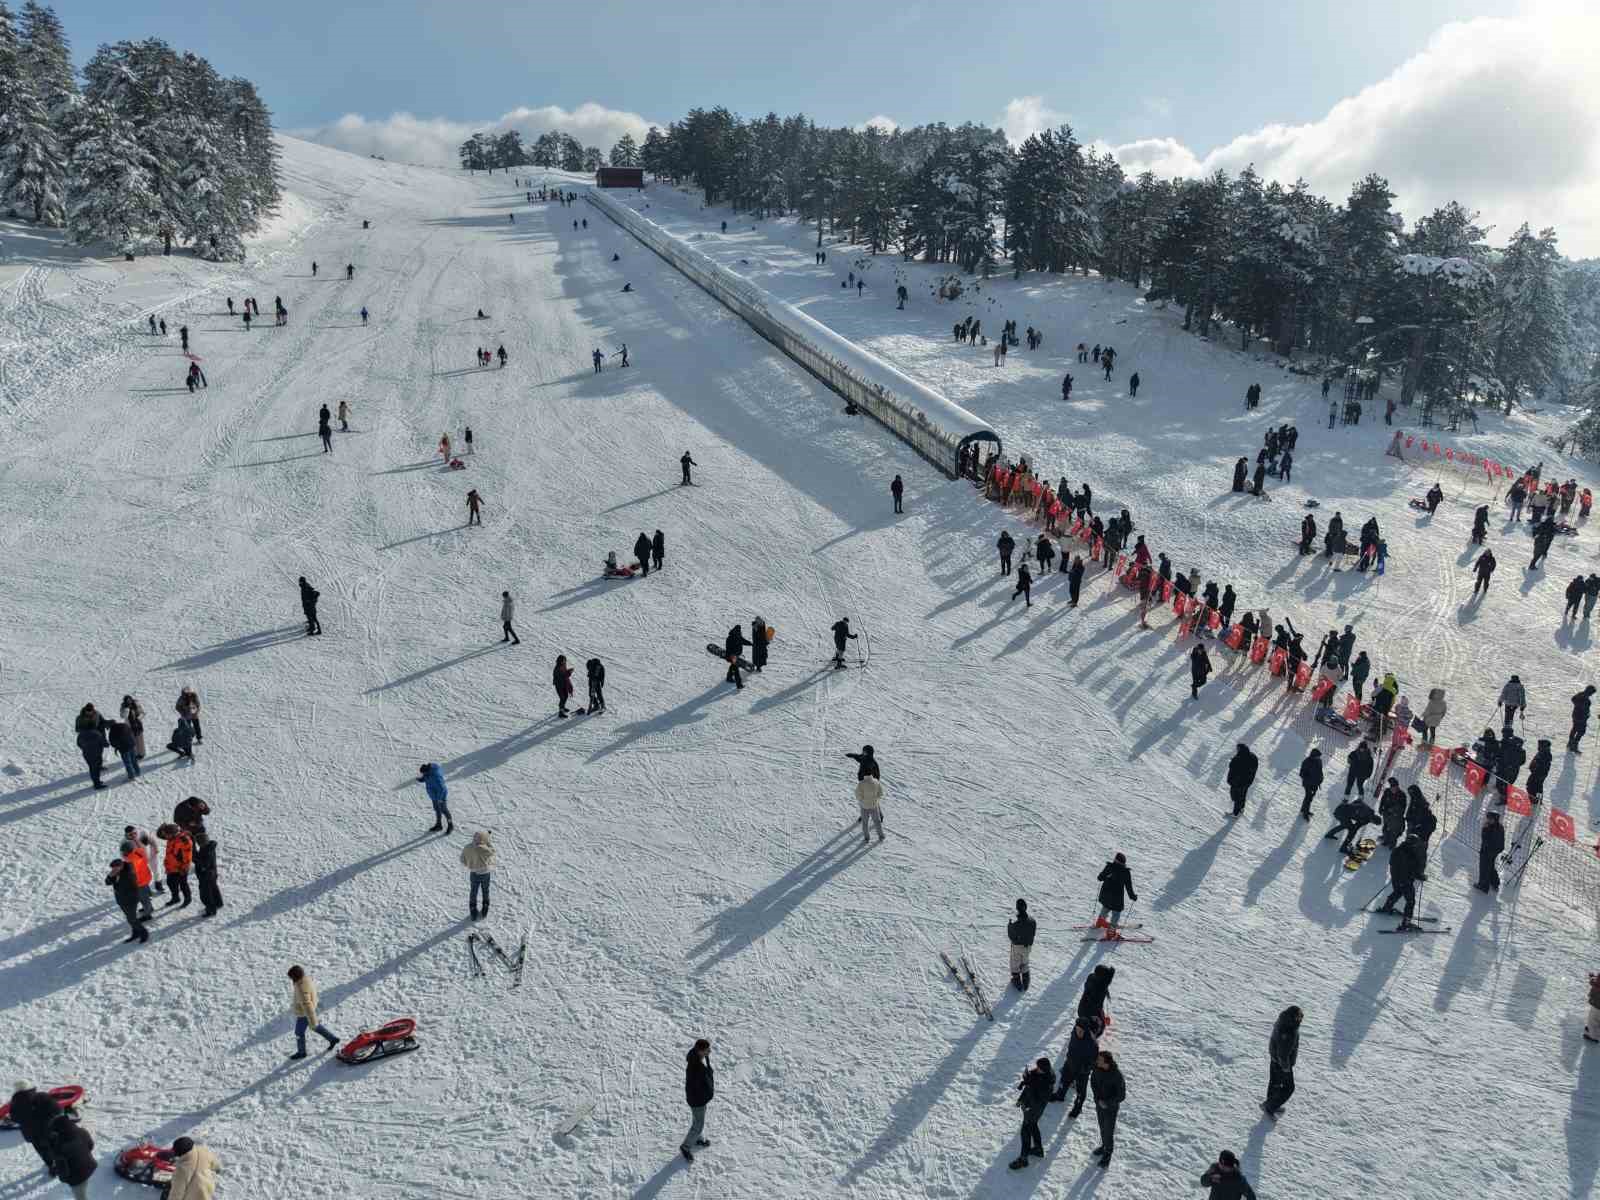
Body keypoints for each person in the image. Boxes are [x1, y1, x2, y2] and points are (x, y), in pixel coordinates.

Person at [1009, 1057, 1056, 1170]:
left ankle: (1023, 1159)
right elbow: (1029, 1087)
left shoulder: (1046, 1084)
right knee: (1033, 1125)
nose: (1036, 1069)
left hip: (1034, 1109)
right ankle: (1038, 1149)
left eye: (1038, 1068)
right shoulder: (1037, 1075)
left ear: (1044, 1070)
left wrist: (1028, 1107)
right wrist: (1021, 1099)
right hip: (1029, 1106)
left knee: (1025, 1131)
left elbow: (1037, 1098)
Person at [8, 1083, 63, 1175]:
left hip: (32, 1135)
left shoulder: (14, 1105)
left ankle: (51, 1166)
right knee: (56, 1148)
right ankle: (62, 1164)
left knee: (43, 1152)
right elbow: (58, 1109)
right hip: (50, 1130)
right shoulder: (42, 1096)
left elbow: (14, 1119)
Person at [286, 965, 339, 1059]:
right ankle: (332, 1039)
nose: (290, 979)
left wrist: (312, 1020)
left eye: (291, 977)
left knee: (299, 1032)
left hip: (304, 1014)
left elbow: (307, 1006)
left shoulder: (301, 989)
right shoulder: (305, 979)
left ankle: (302, 1052)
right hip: (307, 1010)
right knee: (315, 1027)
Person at [1050, 1017, 1100, 1115]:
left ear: (1086, 1031)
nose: (1078, 1032)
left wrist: (1084, 1069)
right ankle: (1060, 1095)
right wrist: (1069, 1058)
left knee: (1080, 1092)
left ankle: (1077, 1108)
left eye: (1081, 1031)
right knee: (1064, 1081)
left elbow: (1093, 1062)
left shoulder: (1092, 1044)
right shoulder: (1074, 1032)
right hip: (1070, 1064)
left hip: (1082, 1071)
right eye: (1077, 1029)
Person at [45, 1109, 96, 1200]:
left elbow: (62, 1169)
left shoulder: (59, 1145)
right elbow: (91, 1146)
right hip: (90, 1165)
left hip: (77, 1177)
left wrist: (64, 1178)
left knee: (81, 1197)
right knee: (84, 1187)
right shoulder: (82, 1131)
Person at [1375, 837, 1425, 927]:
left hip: (1396, 878)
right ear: (1414, 844)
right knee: (1410, 901)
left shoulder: (1398, 850)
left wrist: (1396, 874)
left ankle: (1387, 907)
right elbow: (1413, 869)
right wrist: (1420, 876)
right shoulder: (1412, 854)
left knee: (1397, 892)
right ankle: (1406, 923)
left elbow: (1391, 863)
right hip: (1406, 880)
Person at [1263, 1005, 1301, 1116]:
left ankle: (1270, 1103)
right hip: (1281, 1063)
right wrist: (1286, 1068)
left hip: (1274, 1058)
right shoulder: (1289, 1031)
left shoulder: (1282, 1020)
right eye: (1299, 1016)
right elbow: (1283, 1054)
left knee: (1275, 1082)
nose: (1301, 1019)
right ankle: (1270, 1107)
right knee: (1289, 1087)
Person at [1089, 1051, 1124, 1166]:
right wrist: (1097, 1098)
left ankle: (1108, 1154)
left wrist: (1107, 1103)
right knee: (1102, 1127)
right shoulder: (1097, 1069)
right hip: (1099, 1104)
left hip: (1111, 1108)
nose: (1097, 1061)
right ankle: (1104, 1146)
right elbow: (1093, 1082)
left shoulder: (1116, 1075)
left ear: (1106, 1062)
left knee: (1108, 1131)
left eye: (1099, 1060)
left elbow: (1121, 1095)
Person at [681, 1039, 714, 1162]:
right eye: (707, 1050)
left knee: (697, 1119)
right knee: (698, 1125)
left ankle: (697, 1139)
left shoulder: (694, 1058)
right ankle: (685, 1147)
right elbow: (703, 1082)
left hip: (697, 1098)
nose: (709, 1052)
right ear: (700, 1051)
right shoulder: (697, 1067)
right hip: (697, 1100)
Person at [105, 858, 148, 943]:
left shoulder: (128, 874)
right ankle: (135, 933)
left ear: (121, 866)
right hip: (122, 900)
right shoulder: (117, 873)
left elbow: (130, 888)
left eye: (115, 868)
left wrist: (115, 878)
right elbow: (107, 882)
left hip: (130, 900)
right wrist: (110, 876)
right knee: (130, 918)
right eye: (112, 868)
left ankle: (144, 933)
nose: (114, 870)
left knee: (132, 919)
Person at [164, 1136, 219, 1200]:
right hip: (209, 1188)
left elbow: (177, 1193)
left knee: (169, 1188)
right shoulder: (203, 1150)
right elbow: (216, 1165)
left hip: (195, 1197)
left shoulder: (181, 1170)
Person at [1095, 854, 1137, 929]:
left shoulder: (1109, 867)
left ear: (1116, 860)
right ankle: (1111, 931)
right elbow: (1128, 887)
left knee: (1105, 907)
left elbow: (1100, 878)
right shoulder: (1125, 872)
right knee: (1116, 913)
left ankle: (1099, 923)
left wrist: (1105, 876)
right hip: (1117, 898)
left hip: (1106, 895)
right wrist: (1133, 896)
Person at [158, 823, 194, 908]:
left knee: (183, 884)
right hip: (171, 866)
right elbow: (159, 834)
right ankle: (175, 898)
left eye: (167, 835)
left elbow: (188, 857)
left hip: (181, 868)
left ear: (172, 833)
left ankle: (187, 899)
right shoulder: (171, 837)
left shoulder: (184, 841)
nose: (165, 837)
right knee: (170, 883)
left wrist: (184, 868)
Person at [461, 830, 494, 921]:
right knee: (485, 890)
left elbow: (462, 859)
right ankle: (485, 906)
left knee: (473, 891)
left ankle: (473, 909)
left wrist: (470, 864)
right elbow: (493, 851)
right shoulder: (484, 848)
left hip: (474, 873)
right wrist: (488, 842)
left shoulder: (468, 847)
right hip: (485, 873)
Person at [1007, 899, 1036, 991]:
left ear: (1017, 909)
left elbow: (1011, 936)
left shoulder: (1016, 924)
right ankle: (1025, 979)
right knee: (1025, 961)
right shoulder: (1032, 921)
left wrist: (1009, 925)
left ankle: (1017, 980)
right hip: (1028, 946)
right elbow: (1033, 933)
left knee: (1015, 962)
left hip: (1017, 946)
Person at [76, 708, 108, 790]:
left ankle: (96, 782)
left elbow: (78, 744)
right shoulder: (97, 733)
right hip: (96, 754)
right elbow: (104, 743)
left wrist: (84, 748)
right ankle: (97, 784)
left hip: (86, 754)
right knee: (96, 769)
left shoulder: (81, 734)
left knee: (91, 768)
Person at [194, 831, 222, 916]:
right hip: (212, 873)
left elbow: (204, 864)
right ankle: (218, 902)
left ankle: (211, 910)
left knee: (206, 894)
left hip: (206, 875)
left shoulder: (205, 851)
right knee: (214, 888)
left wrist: (196, 858)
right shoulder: (209, 847)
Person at [419, 762, 452, 834]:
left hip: (440, 796)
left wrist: (439, 799)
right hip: (434, 796)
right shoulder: (429, 773)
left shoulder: (436, 777)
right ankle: (439, 825)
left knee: (444, 810)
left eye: (424, 773)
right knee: (437, 810)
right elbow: (427, 777)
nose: (423, 775)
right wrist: (422, 779)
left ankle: (450, 825)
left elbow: (442, 788)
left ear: (427, 771)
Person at [1226, 743, 1259, 816]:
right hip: (1247, 781)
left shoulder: (1238, 758)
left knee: (1236, 796)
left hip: (1237, 782)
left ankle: (1236, 813)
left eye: (1237, 749)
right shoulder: (1253, 756)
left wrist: (1233, 761)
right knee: (1242, 795)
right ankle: (1241, 808)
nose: (1236, 750)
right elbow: (1254, 767)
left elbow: (1232, 767)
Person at [1475, 812, 1504, 894]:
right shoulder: (1498, 827)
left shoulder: (1491, 828)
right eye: (1488, 818)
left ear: (1495, 819)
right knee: (1490, 867)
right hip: (1492, 851)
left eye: (1491, 818)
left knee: (1484, 868)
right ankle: (1495, 882)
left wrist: (1490, 852)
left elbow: (1487, 840)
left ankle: (1483, 886)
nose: (1488, 820)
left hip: (1488, 852)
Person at [856, 771, 884, 844]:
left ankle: (867, 838)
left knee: (865, 823)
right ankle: (881, 836)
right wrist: (876, 800)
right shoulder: (876, 782)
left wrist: (862, 801)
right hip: (874, 806)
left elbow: (858, 795)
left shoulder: (861, 784)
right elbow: (880, 793)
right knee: (877, 822)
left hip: (864, 807)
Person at [1298, 748, 1323, 819]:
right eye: (1318, 756)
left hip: (1315, 783)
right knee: (1308, 798)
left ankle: (1304, 809)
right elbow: (1302, 773)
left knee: (1309, 798)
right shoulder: (1307, 762)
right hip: (1308, 784)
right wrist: (1309, 779)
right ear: (1314, 755)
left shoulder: (1319, 761)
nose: (1319, 757)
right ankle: (1305, 813)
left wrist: (1321, 779)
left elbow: (1320, 771)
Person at [1526, 738, 1553, 803]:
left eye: (1540, 745)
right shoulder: (1541, 753)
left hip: (1538, 774)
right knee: (1531, 786)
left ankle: (1536, 800)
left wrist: (1535, 770)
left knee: (1535, 787)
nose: (1538, 747)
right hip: (1536, 773)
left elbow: (1542, 767)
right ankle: (1535, 799)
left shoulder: (1545, 755)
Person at [1570, 685, 1595, 752]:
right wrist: (1582, 708)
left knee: (1575, 729)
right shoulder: (1584, 697)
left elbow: (1573, 699)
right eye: (1592, 693)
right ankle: (1574, 745)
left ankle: (1570, 743)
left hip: (1576, 715)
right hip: (1580, 717)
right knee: (1581, 731)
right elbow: (1575, 700)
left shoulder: (1581, 694)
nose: (1591, 695)